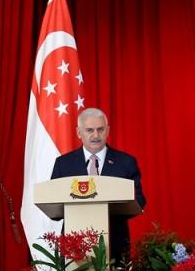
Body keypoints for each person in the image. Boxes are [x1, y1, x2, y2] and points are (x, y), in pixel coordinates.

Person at [51, 108, 146, 261]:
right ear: (79, 132)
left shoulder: (126, 162)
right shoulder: (63, 164)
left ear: (107, 131)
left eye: (100, 129)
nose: (96, 135)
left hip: (115, 245)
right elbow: (53, 203)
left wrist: (109, 207)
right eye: (89, 130)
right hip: (74, 249)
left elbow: (139, 200)